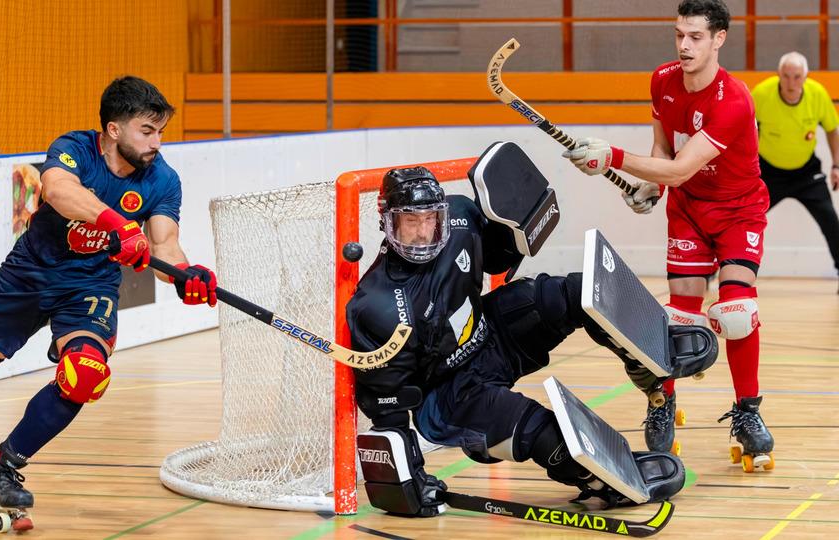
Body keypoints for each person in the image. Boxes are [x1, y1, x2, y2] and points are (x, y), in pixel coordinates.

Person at [0, 76, 217, 529]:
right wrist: (120, 225)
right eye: (147, 130)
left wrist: (187, 276)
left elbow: (165, 248)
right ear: (114, 129)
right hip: (29, 274)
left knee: (85, 375)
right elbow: (59, 191)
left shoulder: (163, 180)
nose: (157, 142)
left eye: (160, 131)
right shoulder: (74, 149)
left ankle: (1, 466)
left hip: (89, 286)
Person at [346, 165, 689, 517]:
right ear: (388, 221)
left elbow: (499, 258)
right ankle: (602, 480)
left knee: (574, 292)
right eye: (411, 222)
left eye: (430, 219)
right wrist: (410, 485)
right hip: (450, 395)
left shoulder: (461, 216)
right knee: (541, 430)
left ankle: (644, 359)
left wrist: (513, 222)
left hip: (490, 337)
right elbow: (387, 409)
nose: (422, 233)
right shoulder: (377, 307)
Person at [562, 0, 775, 471]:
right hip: (689, 212)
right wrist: (648, 186)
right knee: (679, 317)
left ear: (719, 38)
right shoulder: (662, 81)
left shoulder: (734, 99)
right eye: (679, 34)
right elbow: (664, 150)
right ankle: (661, 404)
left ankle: (747, 412)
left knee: (737, 309)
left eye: (695, 36)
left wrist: (616, 157)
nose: (684, 45)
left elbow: (680, 166)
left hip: (739, 212)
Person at [752, 51, 839, 291]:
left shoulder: (818, 94)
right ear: (779, 75)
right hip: (768, 172)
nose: (791, 83)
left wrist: (836, 165)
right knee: (743, 219)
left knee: (830, 219)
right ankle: (711, 270)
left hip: (806, 173)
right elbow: (742, 129)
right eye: (786, 76)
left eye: (797, 77)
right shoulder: (761, 94)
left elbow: (832, 130)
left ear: (805, 77)